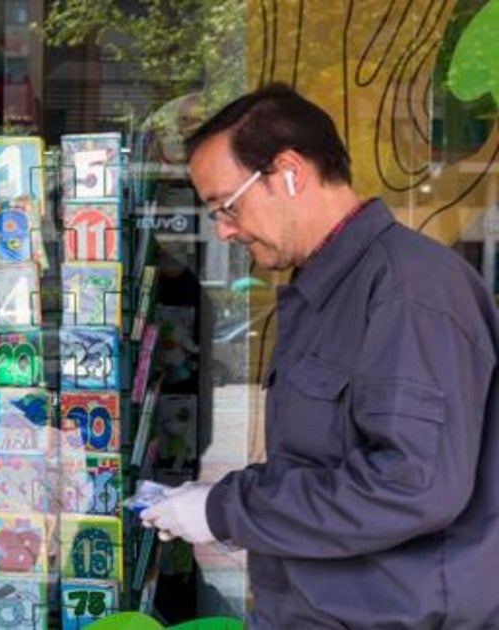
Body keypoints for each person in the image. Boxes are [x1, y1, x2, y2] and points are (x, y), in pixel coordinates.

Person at [141, 83, 499, 627]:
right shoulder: (324, 286)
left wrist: (226, 511)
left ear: (289, 170)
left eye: (226, 206)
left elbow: (410, 485)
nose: (222, 229)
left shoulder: (409, 290)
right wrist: (228, 497)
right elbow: (321, 462)